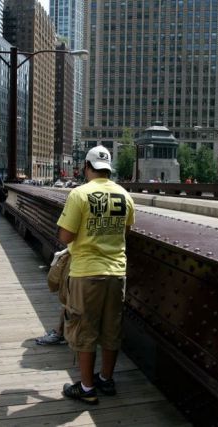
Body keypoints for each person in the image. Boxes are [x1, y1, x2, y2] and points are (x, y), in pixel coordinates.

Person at [57, 145, 135, 405]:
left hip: (86, 273)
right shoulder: (125, 195)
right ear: (109, 168)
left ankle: (87, 388)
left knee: (84, 330)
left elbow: (66, 236)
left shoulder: (79, 194)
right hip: (117, 272)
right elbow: (126, 232)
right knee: (111, 329)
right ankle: (105, 379)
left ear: (86, 168)